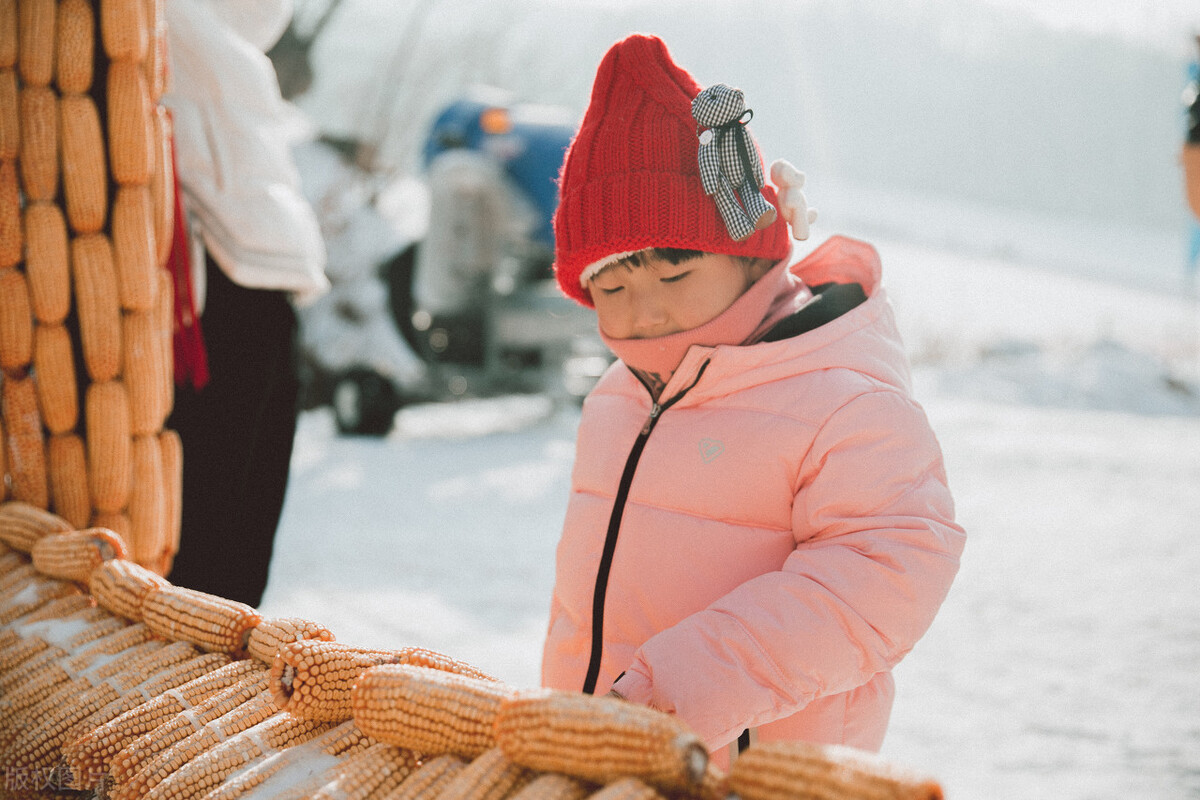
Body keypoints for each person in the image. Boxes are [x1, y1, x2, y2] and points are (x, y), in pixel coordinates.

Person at [540, 33, 965, 763]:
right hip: (605, 757)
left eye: (673, 276)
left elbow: (887, 571)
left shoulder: (840, 401)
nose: (643, 312)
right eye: (611, 286)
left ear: (750, 252)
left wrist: (675, 694)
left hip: (760, 767)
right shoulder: (618, 398)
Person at [161, 0, 329, 607]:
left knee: (223, 567)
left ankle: (209, 690)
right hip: (211, 265)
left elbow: (259, 15)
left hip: (243, 262)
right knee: (197, 556)